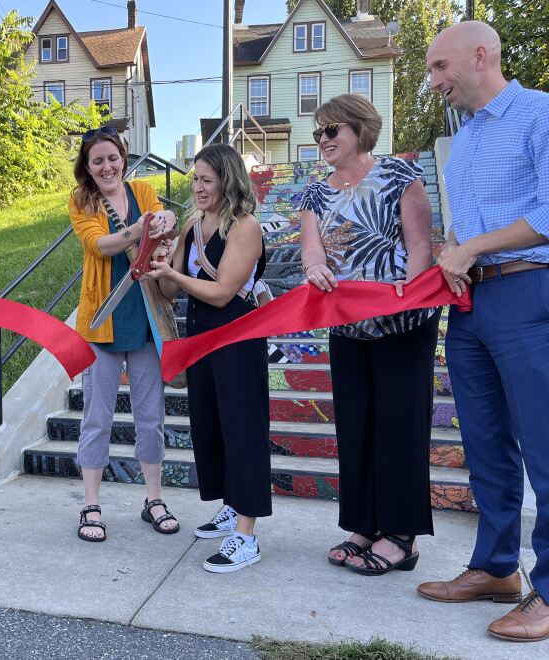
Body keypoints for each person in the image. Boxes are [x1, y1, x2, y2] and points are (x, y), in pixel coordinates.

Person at [417, 21, 549, 642]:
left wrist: (472, 249)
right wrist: (453, 250)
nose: (434, 82)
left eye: (441, 68)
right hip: (470, 304)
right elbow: (458, 227)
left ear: (480, 55)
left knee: (545, 448)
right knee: (487, 443)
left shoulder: (538, 114)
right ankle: (498, 568)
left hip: (528, 292)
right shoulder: (463, 140)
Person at [297, 94, 439, 576]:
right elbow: (312, 252)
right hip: (348, 324)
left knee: (400, 425)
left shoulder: (399, 174)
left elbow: (421, 243)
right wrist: (315, 269)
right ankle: (364, 524)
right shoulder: (315, 193)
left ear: (359, 127)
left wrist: (406, 295)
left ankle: (401, 535)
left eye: (331, 130)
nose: (323, 140)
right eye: (318, 133)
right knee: (355, 426)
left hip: (404, 322)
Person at [142, 143, 270, 573]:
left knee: (243, 432)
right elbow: (171, 292)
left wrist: (173, 273)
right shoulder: (194, 225)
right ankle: (232, 509)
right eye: (194, 178)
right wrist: (159, 265)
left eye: (206, 180)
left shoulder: (246, 226)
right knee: (212, 429)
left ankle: (247, 537)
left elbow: (222, 292)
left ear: (227, 181)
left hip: (237, 337)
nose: (197, 187)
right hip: (200, 338)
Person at [69, 126, 179, 542]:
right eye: (97, 160)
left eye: (112, 157)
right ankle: (91, 505)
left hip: (147, 316)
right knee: (97, 418)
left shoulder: (145, 190)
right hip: (102, 320)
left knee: (151, 418)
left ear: (123, 156)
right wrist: (143, 227)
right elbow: (98, 245)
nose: (106, 166)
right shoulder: (81, 200)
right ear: (87, 165)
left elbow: (165, 225)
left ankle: (153, 499)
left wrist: (164, 218)